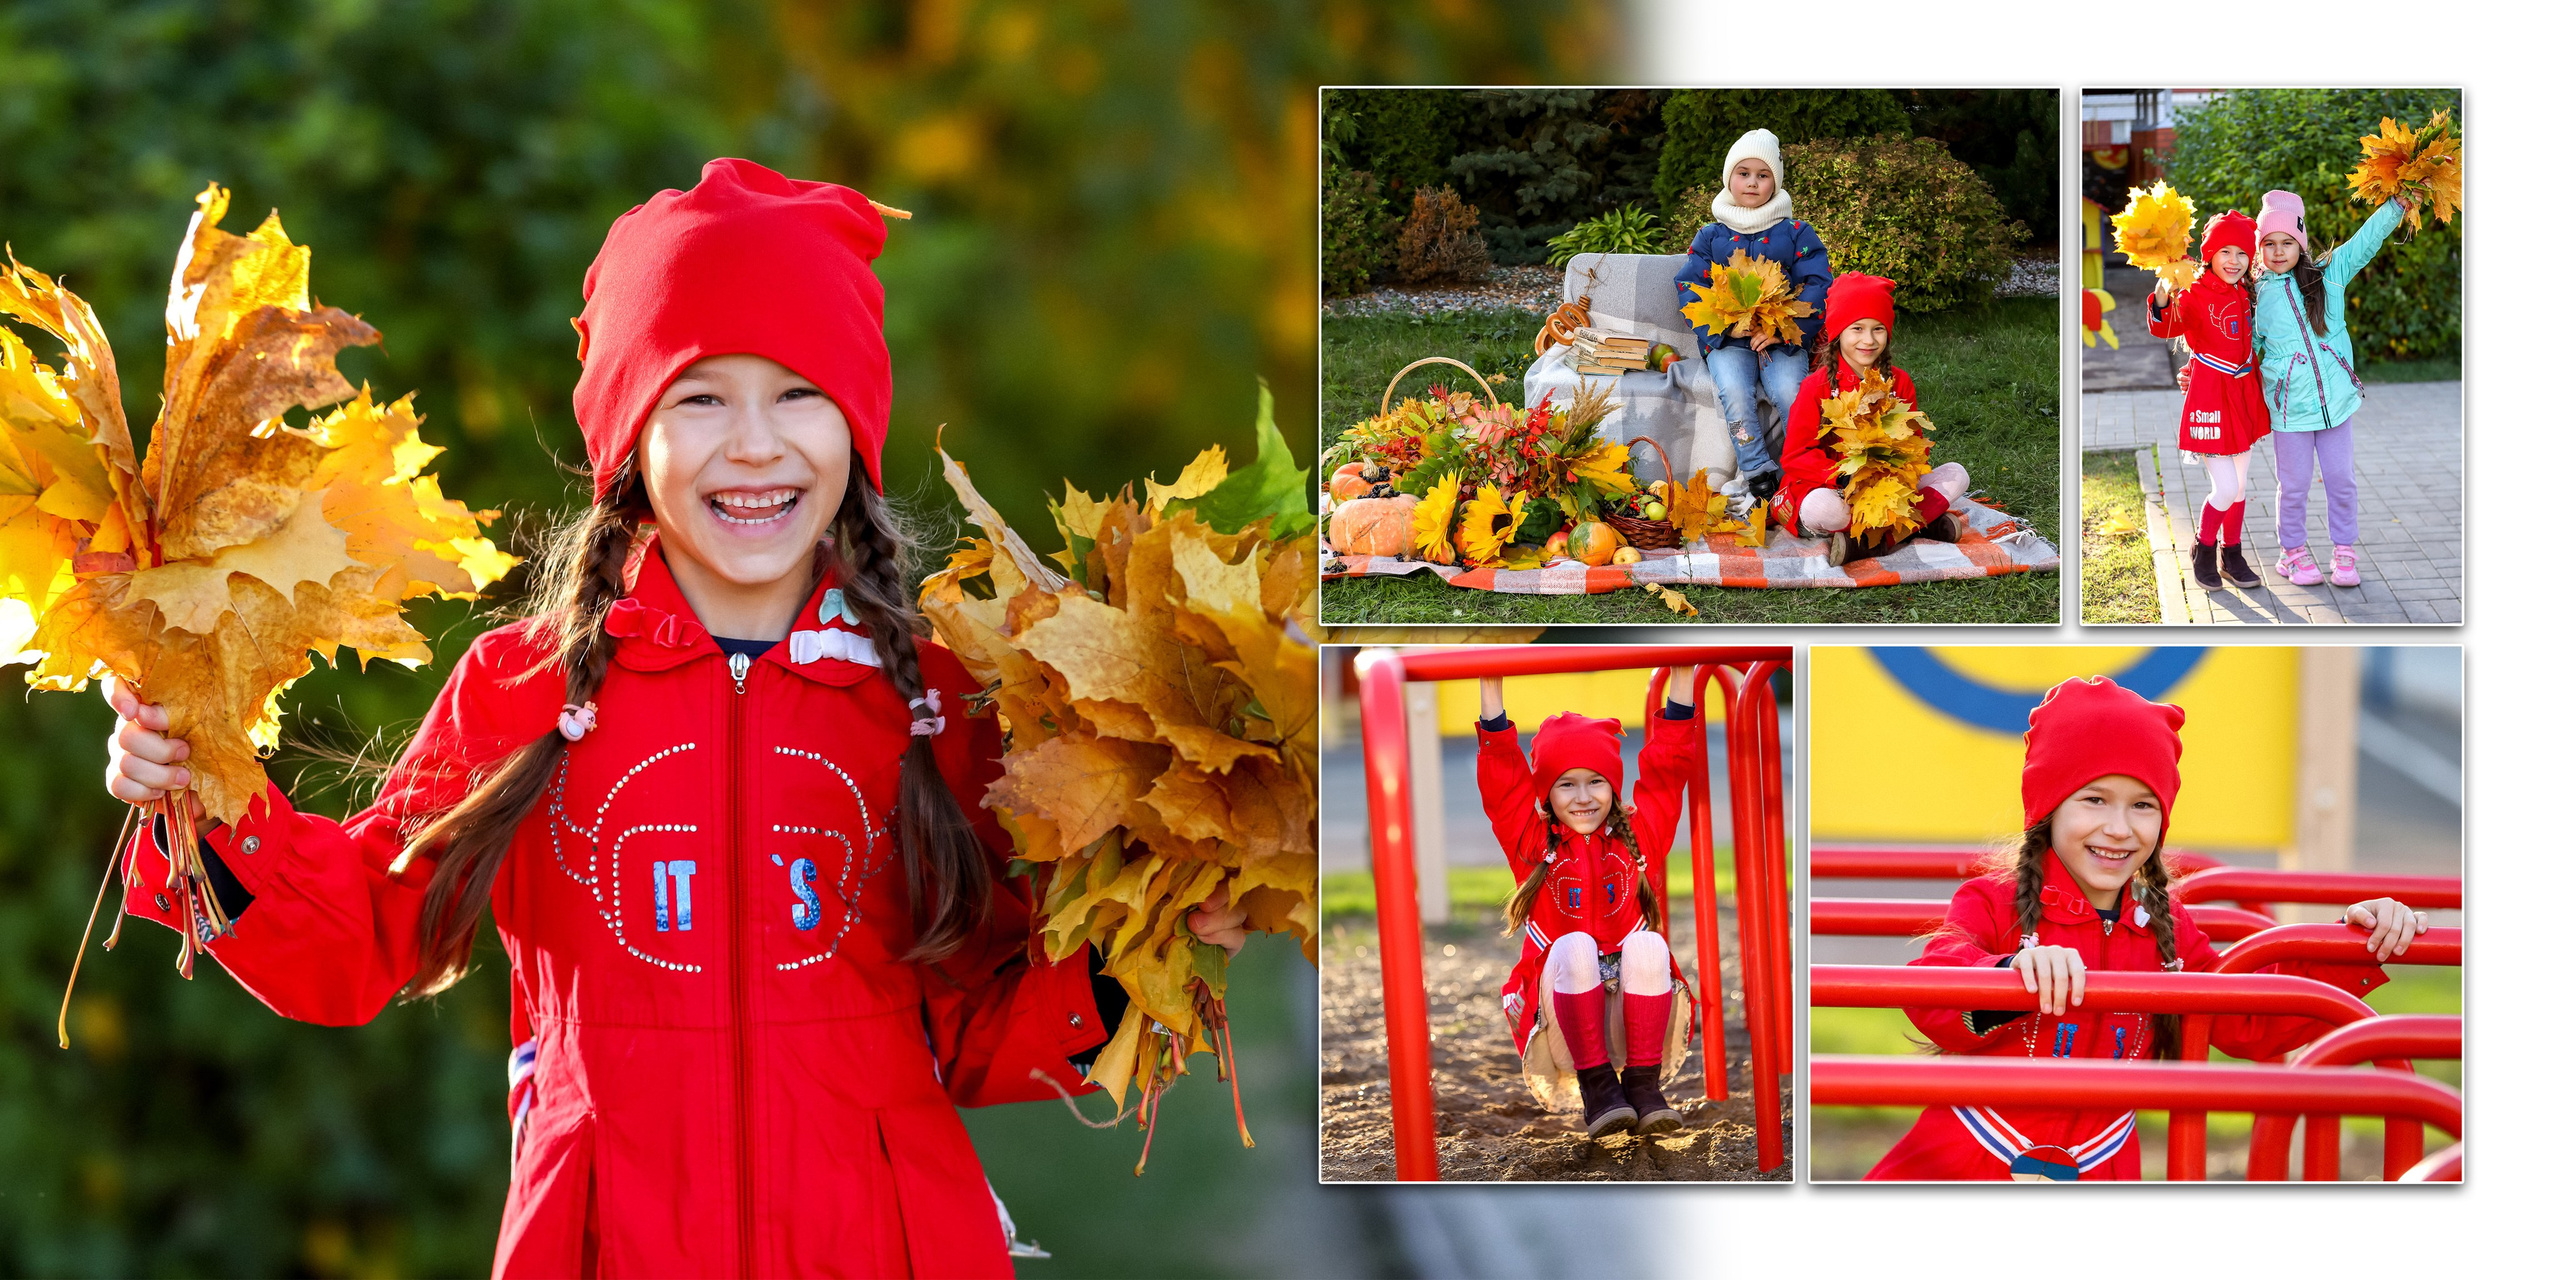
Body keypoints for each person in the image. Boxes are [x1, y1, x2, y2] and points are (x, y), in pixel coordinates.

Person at [100, 158, 1246, 1277]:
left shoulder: (937, 702)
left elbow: (977, 1033)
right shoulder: (527, 686)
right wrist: (198, 793)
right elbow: (351, 945)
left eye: (799, 392)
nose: (754, 442)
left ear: (855, 427)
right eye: (700, 397)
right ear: (629, 441)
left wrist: (1149, 947)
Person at [1864, 676, 2427, 1181]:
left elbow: (2250, 1019)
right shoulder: (1993, 900)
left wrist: (2354, 943)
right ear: (2050, 808)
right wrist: (2011, 973)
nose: (2118, 828)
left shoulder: (2165, 926)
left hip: (2101, 1167)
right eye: (2094, 799)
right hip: (1967, 1160)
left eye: (2142, 805)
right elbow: (1932, 987)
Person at [1475, 670, 1699, 1138]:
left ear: (1613, 788)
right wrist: (1490, 692)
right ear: (1545, 794)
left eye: (1596, 781)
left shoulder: (1639, 838)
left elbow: (1667, 771)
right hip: (1565, 1031)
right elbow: (1503, 785)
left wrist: (1682, 681)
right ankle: (1598, 1090)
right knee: (1575, 945)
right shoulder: (1532, 844)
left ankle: (1643, 1088)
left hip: (1637, 1025)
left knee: (1649, 945)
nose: (1582, 798)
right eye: (1566, 784)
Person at [2255, 191, 2411, 589]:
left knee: (2341, 480)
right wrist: (2198, 372)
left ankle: (2344, 551)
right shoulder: (2255, 296)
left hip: (2336, 406)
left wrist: (2396, 206)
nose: (2278, 251)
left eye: (2287, 242)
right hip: (2290, 412)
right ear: (2260, 248)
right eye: (2269, 243)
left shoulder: (2329, 274)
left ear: (2301, 243)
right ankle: (2292, 553)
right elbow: (2240, 348)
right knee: (2294, 486)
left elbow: (2365, 241)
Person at [1672, 128, 1834, 502]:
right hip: (1728, 339)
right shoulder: (1710, 236)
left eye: (1763, 175)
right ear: (1729, 177)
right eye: (1743, 173)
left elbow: (1817, 283)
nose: (1752, 182)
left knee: (1791, 392)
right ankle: (1758, 471)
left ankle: (1803, 470)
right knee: (1733, 391)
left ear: (1775, 183)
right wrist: (1725, 329)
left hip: (1782, 337)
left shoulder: (1796, 232)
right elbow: (1690, 286)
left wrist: (1786, 330)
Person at [1772, 273, 1970, 566]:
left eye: (1878, 329)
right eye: (1857, 329)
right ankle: (1915, 526)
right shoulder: (1817, 387)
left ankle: (1870, 542)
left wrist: (1898, 473)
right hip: (1835, 488)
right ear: (1838, 333)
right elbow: (1795, 456)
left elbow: (1915, 446)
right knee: (1823, 510)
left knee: (1957, 474)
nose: (1868, 340)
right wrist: (1844, 477)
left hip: (1885, 486)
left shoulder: (1899, 383)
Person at [2149, 211, 2272, 591]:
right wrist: (2163, 293)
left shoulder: (2245, 291)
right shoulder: (2195, 289)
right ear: (2209, 254)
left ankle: (2231, 554)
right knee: (2225, 488)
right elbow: (2168, 326)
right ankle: (2203, 549)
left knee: (2240, 486)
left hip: (2243, 396)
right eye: (2225, 252)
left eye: (2242, 252)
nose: (2234, 261)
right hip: (2210, 400)